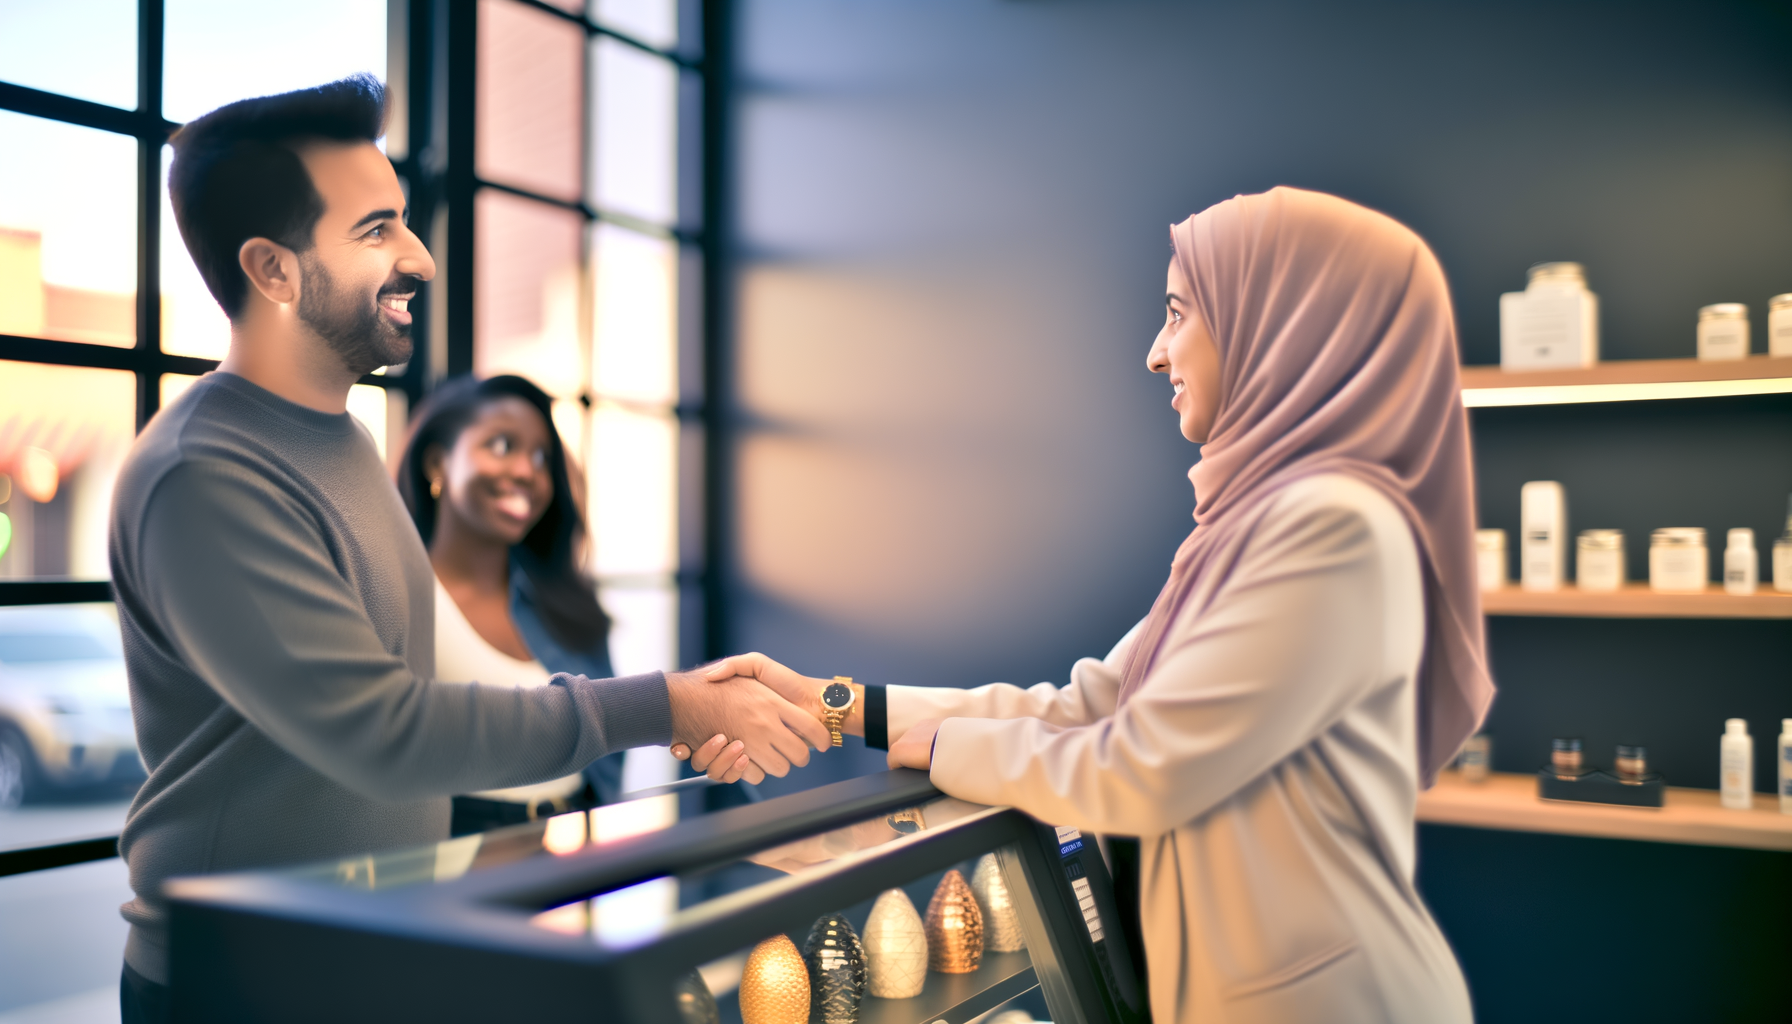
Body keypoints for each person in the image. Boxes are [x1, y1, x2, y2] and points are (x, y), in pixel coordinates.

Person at [108, 76, 824, 1022]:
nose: (421, 259)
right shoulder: (204, 475)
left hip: (370, 952)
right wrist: (666, 705)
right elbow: (384, 733)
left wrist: (686, 712)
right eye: (375, 231)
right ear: (273, 271)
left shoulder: (341, 438)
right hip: (248, 980)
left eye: (404, 220)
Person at [697, 188, 1492, 1023]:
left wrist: (945, 748)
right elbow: (1081, 708)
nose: (1155, 353)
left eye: (1179, 313)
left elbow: (1146, 768)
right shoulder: (1255, 530)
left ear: (1278, 325)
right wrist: (834, 708)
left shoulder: (1333, 528)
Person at [395, 373, 630, 833]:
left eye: (541, 457)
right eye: (502, 446)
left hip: (565, 859)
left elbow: (608, 758)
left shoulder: (562, 603)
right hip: (443, 864)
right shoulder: (398, 596)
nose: (527, 471)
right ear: (438, 463)